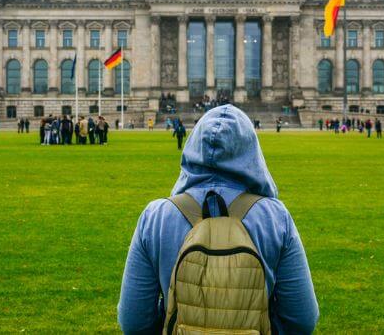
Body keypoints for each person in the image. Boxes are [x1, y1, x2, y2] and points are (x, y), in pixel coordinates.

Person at [118, 105, 318, 334]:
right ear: (251, 150)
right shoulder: (275, 218)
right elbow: (302, 320)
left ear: (193, 146)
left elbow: (133, 323)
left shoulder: (156, 217)